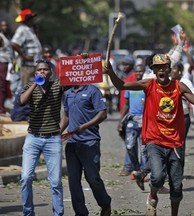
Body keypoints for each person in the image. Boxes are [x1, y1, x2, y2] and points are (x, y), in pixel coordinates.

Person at [104, 53, 194, 216]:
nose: (161, 70)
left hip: (176, 143)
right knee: (158, 177)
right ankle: (152, 197)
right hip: (155, 141)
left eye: (164, 67)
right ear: (153, 71)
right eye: (157, 67)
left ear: (169, 69)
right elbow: (122, 86)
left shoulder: (179, 87)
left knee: (176, 186)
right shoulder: (149, 85)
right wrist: (111, 72)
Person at [19, 59, 64, 216]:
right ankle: (28, 213)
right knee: (25, 178)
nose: (42, 72)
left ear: (50, 73)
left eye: (45, 70)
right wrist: (35, 84)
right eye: (39, 70)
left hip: (53, 139)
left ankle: (58, 213)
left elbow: (72, 79)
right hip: (33, 138)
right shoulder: (30, 87)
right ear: (35, 73)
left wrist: (81, 60)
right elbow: (22, 101)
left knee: (56, 181)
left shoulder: (57, 86)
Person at [60, 84, 112, 216]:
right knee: (73, 181)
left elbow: (102, 114)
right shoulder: (68, 93)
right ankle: (80, 212)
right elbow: (66, 116)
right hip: (72, 143)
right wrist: (57, 134)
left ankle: (105, 203)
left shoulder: (92, 90)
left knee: (93, 179)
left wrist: (84, 127)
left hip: (90, 142)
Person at [118, 64, 147, 177]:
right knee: (129, 145)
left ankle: (144, 171)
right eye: (137, 71)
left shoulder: (147, 86)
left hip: (145, 121)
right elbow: (126, 104)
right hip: (132, 120)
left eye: (141, 71)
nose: (139, 73)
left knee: (144, 149)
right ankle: (135, 167)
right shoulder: (131, 86)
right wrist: (121, 120)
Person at [11, 9, 42, 86]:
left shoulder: (29, 29)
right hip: (27, 66)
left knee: (35, 88)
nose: (33, 20)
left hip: (34, 64)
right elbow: (14, 43)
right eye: (32, 18)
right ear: (28, 19)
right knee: (27, 87)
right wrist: (23, 56)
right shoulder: (22, 29)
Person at [0, 20, 13, 116]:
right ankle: (1, 109)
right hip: (2, 62)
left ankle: (3, 107)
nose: (5, 27)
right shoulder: (0, 37)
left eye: (6, 25)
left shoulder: (7, 37)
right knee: (2, 86)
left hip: (8, 63)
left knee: (6, 86)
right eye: (3, 26)